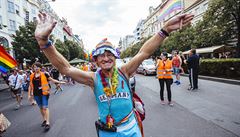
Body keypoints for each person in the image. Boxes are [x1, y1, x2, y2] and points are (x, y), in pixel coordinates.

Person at [34, 12, 193, 136]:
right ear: (95, 61)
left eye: (109, 53)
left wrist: (165, 30)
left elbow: (143, 52)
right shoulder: (93, 78)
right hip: (108, 131)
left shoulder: (125, 71)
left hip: (131, 129)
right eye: (101, 55)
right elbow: (66, 69)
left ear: (115, 57)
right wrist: (44, 43)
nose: (105, 58)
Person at [28, 62, 65, 131]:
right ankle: (44, 120)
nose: (36, 68)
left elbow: (52, 80)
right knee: (41, 107)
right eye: (34, 67)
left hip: (44, 93)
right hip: (36, 94)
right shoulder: (31, 76)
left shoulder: (45, 74)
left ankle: (47, 123)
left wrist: (60, 82)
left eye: (37, 67)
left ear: (40, 67)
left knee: (45, 107)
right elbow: (30, 86)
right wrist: (29, 95)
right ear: (33, 68)